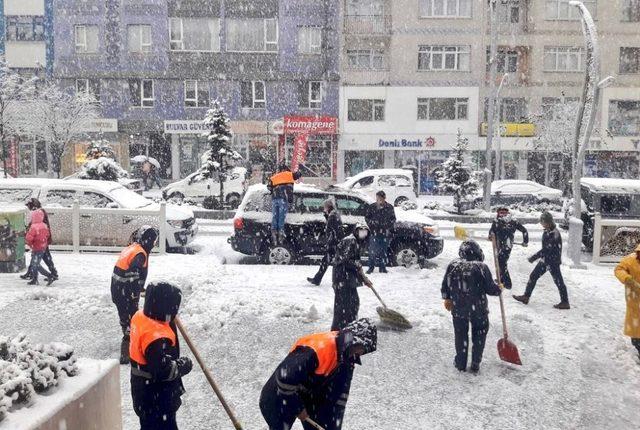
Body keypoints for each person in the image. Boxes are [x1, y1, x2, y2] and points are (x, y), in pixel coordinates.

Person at [259, 318, 377, 430]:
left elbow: (339, 395)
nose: (361, 353)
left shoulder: (347, 356)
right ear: (353, 341)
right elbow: (285, 379)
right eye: (362, 348)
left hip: (308, 394)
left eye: (364, 351)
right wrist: (298, 408)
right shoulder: (318, 349)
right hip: (278, 395)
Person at [129, 282, 193, 430]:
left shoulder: (142, 316)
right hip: (156, 398)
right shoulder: (155, 337)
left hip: (143, 393)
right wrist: (183, 365)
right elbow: (163, 370)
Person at [441, 240, 502, 373]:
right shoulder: (481, 267)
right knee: (479, 334)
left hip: (458, 309)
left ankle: (460, 363)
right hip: (478, 309)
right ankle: (475, 362)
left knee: (460, 335)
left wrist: (447, 298)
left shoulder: (453, 265)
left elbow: (445, 284)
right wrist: (499, 288)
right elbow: (491, 289)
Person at [111, 226, 159, 364]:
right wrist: (134, 291)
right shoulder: (140, 254)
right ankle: (127, 354)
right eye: (154, 241)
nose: (154, 244)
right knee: (131, 321)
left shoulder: (132, 248)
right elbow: (133, 272)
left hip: (118, 290)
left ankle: (130, 344)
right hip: (126, 292)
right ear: (149, 241)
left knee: (126, 318)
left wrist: (139, 288)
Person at [513, 211, 570, 309]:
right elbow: (545, 249)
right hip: (546, 260)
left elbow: (546, 249)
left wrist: (533, 257)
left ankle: (565, 302)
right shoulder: (547, 231)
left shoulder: (554, 234)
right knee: (533, 276)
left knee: (558, 281)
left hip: (552, 262)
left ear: (548, 222)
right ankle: (526, 297)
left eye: (543, 222)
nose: (541, 224)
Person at [331, 224, 373, 331]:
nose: (364, 233)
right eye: (361, 230)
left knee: (353, 303)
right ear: (356, 231)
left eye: (366, 231)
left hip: (347, 278)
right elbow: (345, 260)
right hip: (342, 278)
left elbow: (354, 263)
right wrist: (357, 266)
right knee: (344, 307)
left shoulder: (355, 241)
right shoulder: (351, 241)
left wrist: (364, 279)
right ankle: (339, 330)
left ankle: (349, 328)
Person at [488, 207, 529, 290]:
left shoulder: (513, 221)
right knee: (500, 262)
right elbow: (492, 231)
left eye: (504, 213)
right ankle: (501, 279)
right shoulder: (496, 221)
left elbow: (524, 231)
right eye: (501, 213)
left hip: (507, 245)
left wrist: (525, 241)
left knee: (501, 262)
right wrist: (490, 236)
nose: (503, 214)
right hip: (499, 244)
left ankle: (507, 283)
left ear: (508, 213)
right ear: (498, 213)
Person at [307, 199, 343, 286]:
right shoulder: (333, 214)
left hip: (334, 243)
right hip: (335, 242)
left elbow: (333, 229)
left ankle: (319, 279)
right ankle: (317, 279)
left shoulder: (333, 216)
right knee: (327, 261)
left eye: (324, 206)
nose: (323, 208)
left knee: (331, 262)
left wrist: (332, 243)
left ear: (328, 207)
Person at [21, 198, 58, 282]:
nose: (28, 208)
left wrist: (31, 231)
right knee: (40, 257)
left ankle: (52, 274)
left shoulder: (39, 213)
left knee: (43, 258)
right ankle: (32, 273)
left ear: (33, 205)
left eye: (29, 206)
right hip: (42, 240)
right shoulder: (39, 212)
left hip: (41, 240)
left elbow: (41, 226)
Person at [614, 244, 640, 360]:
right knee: (636, 326)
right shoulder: (630, 260)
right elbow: (618, 269)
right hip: (634, 299)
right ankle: (637, 348)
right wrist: (628, 279)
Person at [267, 164, 302, 245]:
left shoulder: (274, 177)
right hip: (283, 199)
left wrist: (275, 189)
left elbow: (269, 187)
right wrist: (300, 169)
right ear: (287, 169)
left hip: (275, 199)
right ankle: (280, 234)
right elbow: (298, 174)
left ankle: (274, 233)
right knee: (281, 217)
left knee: (275, 216)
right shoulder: (289, 174)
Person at [365, 191, 396, 274]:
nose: (378, 200)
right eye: (377, 198)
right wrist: (372, 224)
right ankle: (370, 268)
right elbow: (367, 218)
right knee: (372, 251)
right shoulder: (372, 207)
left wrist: (387, 226)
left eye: (380, 198)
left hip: (384, 233)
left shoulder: (389, 207)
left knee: (383, 251)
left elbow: (393, 219)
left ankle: (382, 268)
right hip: (374, 232)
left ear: (384, 198)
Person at [24, 209, 53, 286]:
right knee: (35, 263)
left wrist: (30, 244)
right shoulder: (44, 225)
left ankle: (49, 276)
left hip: (36, 247)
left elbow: (29, 238)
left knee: (35, 264)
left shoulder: (33, 227)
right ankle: (34, 279)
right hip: (43, 247)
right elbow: (47, 235)